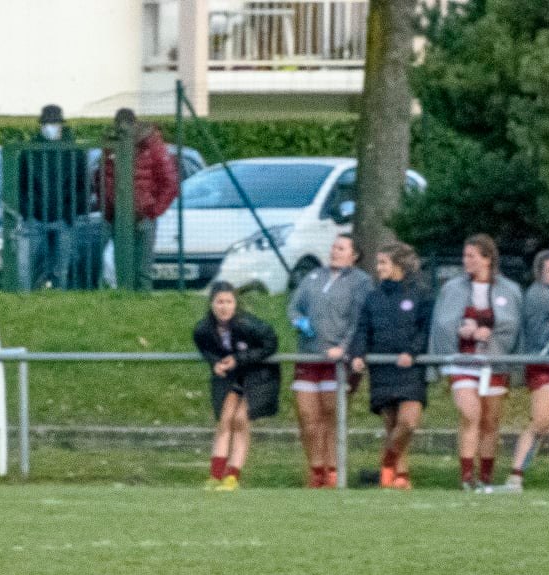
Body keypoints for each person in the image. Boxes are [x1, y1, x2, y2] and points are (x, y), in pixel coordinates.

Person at [431, 234, 521, 490]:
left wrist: (490, 333)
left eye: (471, 256)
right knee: (471, 414)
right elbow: (442, 322)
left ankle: (486, 476)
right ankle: (466, 477)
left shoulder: (509, 289)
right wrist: (462, 328)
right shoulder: (452, 288)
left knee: (490, 421)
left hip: (494, 361)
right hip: (462, 361)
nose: (465, 261)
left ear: (487, 258)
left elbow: (513, 326)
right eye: (464, 255)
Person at [344, 242, 432, 489]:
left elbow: (426, 329)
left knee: (408, 422)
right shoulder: (373, 297)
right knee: (391, 423)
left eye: (383, 262)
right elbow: (362, 329)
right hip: (383, 368)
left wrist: (412, 351)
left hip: (409, 369)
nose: (378, 267)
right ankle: (399, 476)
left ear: (398, 265)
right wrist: (358, 354)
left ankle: (387, 460)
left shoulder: (420, 294)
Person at [287, 234, 369, 487]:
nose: (334, 251)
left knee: (331, 415)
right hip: (308, 356)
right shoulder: (313, 277)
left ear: (354, 255)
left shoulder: (360, 282)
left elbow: (359, 321)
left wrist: (343, 348)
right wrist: (299, 321)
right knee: (307, 416)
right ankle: (315, 469)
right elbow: (293, 307)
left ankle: (333, 469)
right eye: (333, 246)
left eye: (341, 248)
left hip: (336, 362)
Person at [192, 281, 278, 491]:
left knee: (240, 420)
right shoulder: (203, 329)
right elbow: (206, 349)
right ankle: (215, 475)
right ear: (212, 304)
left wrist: (239, 358)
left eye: (229, 301)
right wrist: (216, 364)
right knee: (224, 418)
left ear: (235, 303)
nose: (224, 307)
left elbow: (270, 343)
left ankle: (232, 476)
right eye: (219, 302)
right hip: (231, 375)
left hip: (258, 373)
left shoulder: (249, 325)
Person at [96, 108, 179, 293]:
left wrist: (153, 210)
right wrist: (109, 209)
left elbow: (170, 182)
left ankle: (142, 311)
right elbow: (101, 178)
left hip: (143, 216)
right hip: (118, 216)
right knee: (123, 270)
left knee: (142, 271)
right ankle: (127, 308)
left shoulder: (152, 145)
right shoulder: (111, 145)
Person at [510, 249, 549, 491]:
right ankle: (515, 475)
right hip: (545, 364)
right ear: (541, 274)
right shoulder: (537, 295)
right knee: (542, 421)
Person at [17, 104, 87, 289]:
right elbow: (20, 186)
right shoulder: (29, 151)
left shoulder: (74, 152)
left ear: (61, 125)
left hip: (64, 219)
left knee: (61, 269)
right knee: (33, 269)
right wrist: (28, 210)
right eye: (48, 123)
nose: (51, 126)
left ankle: (59, 301)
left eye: (54, 123)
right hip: (36, 218)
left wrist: (71, 211)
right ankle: (32, 302)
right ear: (41, 125)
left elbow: (83, 186)